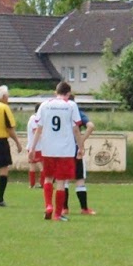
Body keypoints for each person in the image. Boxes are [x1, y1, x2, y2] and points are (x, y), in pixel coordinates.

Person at [33, 81, 85, 220]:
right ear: (68, 93)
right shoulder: (71, 105)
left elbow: (39, 128)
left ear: (56, 92)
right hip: (65, 149)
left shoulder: (44, 105)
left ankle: (48, 205)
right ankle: (57, 214)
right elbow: (76, 129)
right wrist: (81, 147)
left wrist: (32, 148)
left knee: (48, 178)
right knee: (61, 181)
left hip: (48, 148)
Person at [54, 84, 97, 216]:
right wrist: (81, 143)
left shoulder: (54, 109)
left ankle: (64, 208)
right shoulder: (75, 109)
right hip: (73, 148)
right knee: (79, 179)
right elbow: (90, 126)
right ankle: (84, 208)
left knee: (63, 180)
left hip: (60, 149)